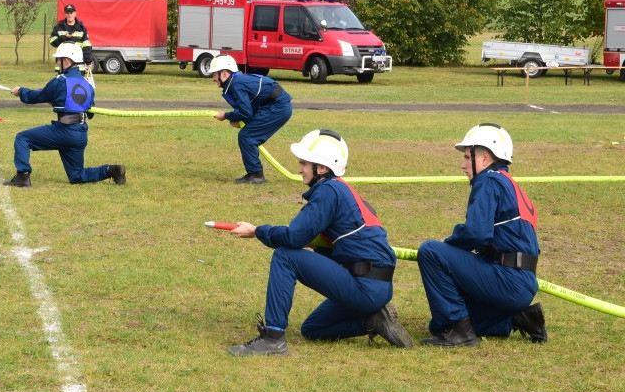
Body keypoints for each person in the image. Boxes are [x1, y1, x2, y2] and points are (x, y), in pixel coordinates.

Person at [226, 129, 413, 356]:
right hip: (375, 286)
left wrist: (257, 231)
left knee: (285, 255)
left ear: (322, 168)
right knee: (313, 329)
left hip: (365, 286)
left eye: (304, 163)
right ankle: (373, 321)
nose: (299, 169)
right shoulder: (340, 190)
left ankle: (273, 339)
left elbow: (294, 237)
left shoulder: (328, 191)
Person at [416, 123, 547, 347]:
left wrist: (449, 246)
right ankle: (518, 318)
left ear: (484, 158)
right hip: (522, 281)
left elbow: (477, 234)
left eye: (468, 157)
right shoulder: (509, 183)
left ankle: (459, 333)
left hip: (508, 279)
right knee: (446, 322)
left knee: (430, 252)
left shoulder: (488, 180)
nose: (463, 165)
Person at [4, 43, 125, 188]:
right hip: (80, 134)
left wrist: (21, 91)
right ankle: (111, 170)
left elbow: (38, 96)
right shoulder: (88, 85)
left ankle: (22, 176)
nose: (57, 63)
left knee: (22, 138)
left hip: (64, 130)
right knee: (76, 175)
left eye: (59, 59)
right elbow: (90, 114)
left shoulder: (60, 81)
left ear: (67, 61)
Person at [210, 55, 293, 184]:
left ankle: (256, 175)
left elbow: (245, 111)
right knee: (248, 134)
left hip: (278, 107)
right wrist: (239, 118)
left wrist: (226, 116)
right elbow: (249, 108)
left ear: (224, 74)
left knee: (247, 136)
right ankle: (255, 173)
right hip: (275, 106)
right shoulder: (237, 82)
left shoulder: (236, 85)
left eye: (214, 74)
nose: (213, 79)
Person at [49, 4, 94, 71]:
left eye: (71, 13)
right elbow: (52, 42)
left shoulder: (81, 28)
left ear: (75, 13)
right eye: (67, 13)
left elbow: (86, 46)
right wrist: (64, 38)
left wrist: (88, 62)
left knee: (77, 81)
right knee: (63, 81)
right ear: (65, 14)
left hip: (78, 62)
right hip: (63, 63)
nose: (69, 15)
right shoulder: (59, 27)